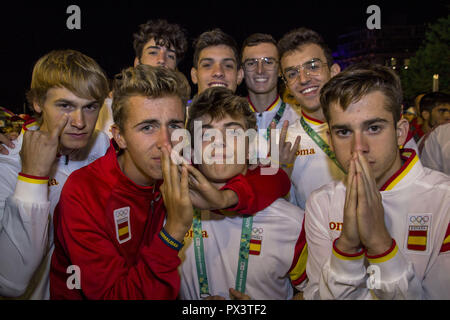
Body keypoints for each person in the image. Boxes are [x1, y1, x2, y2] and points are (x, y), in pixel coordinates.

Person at [50, 65, 291, 299]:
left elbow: (273, 179)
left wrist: (225, 198)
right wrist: (173, 231)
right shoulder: (85, 193)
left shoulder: (177, 164)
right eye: (147, 127)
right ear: (120, 137)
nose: (165, 142)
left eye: (174, 125)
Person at [303, 63, 450, 300]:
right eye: (343, 132)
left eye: (373, 128)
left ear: (400, 132)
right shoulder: (321, 202)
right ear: (330, 139)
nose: (358, 147)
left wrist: (381, 245)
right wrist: (347, 248)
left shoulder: (444, 200)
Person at [0, 49, 110, 299]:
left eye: (90, 107)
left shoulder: (101, 145)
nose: (80, 122)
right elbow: (10, 282)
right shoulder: (7, 164)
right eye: (65, 106)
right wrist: (32, 178)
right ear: (38, 102)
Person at [178, 87, 307, 300]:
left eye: (233, 132)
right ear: (192, 150)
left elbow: (313, 291)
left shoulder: (292, 222)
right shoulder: (170, 213)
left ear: (250, 147)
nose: (219, 142)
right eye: (206, 133)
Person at [276, 28, 346, 209]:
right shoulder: (280, 142)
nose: (303, 79)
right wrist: (279, 179)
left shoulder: (372, 127)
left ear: (334, 71)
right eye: (292, 74)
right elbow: (276, 212)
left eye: (313, 66)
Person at [96, 19, 188, 138]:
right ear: (137, 63)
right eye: (153, 52)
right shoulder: (107, 108)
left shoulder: (185, 114)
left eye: (170, 56)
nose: (162, 59)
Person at [241, 33, 300, 131]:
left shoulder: (298, 119)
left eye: (268, 62)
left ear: (280, 70)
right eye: (251, 63)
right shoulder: (229, 118)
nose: (260, 70)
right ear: (242, 71)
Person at [190, 28, 243, 96]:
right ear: (194, 75)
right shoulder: (177, 107)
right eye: (207, 65)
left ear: (239, 75)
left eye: (228, 66)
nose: (218, 72)